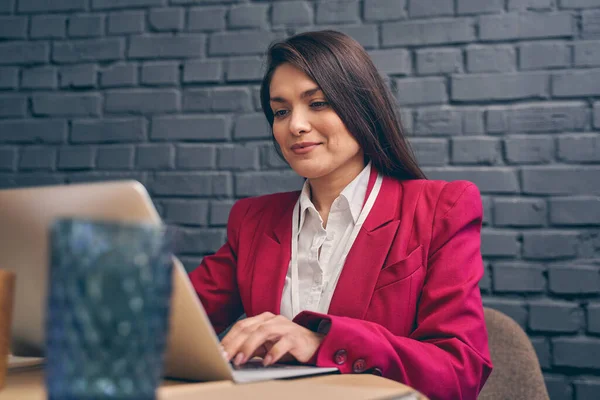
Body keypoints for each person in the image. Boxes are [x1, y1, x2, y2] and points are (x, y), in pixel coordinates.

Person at [189, 30, 492, 400]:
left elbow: (460, 373)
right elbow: (179, 326)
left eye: (317, 104)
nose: (295, 125)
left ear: (360, 107)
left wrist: (319, 342)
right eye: (281, 111)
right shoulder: (252, 220)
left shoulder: (441, 208)